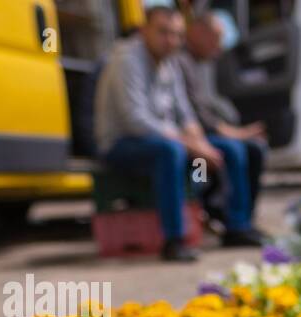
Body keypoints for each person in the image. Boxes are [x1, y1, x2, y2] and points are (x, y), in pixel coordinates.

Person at [94, 6, 263, 261]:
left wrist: (201, 142)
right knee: (171, 151)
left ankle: (237, 226)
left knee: (231, 149)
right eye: (163, 32)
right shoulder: (126, 59)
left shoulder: (170, 61)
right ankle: (174, 239)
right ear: (144, 30)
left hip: (164, 138)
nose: (171, 40)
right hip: (122, 144)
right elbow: (135, 121)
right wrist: (191, 145)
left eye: (176, 34)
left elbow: (185, 114)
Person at [174, 10, 267, 231]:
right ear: (196, 32)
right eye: (215, 39)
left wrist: (232, 126)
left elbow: (207, 106)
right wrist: (231, 132)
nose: (219, 48)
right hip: (185, 134)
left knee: (255, 148)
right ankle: (234, 224)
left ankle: (240, 217)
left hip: (198, 131)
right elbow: (192, 111)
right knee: (233, 150)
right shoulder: (179, 61)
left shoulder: (201, 64)